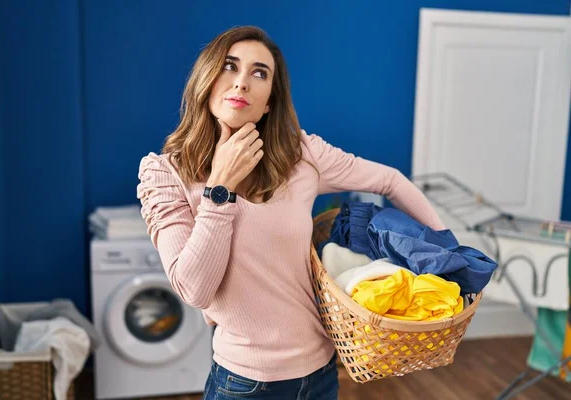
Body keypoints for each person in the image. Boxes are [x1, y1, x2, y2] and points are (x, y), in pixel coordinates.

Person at [137, 25, 445, 400]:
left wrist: (448, 256)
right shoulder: (165, 174)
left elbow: (390, 180)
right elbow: (195, 289)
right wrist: (221, 188)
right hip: (244, 385)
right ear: (207, 78)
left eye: (259, 73)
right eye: (230, 66)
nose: (242, 83)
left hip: (320, 375)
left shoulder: (300, 155)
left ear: (269, 101)